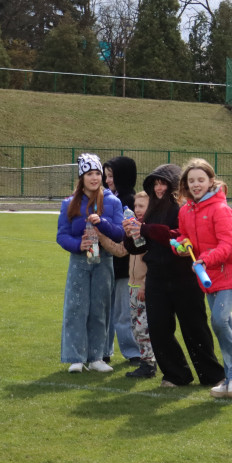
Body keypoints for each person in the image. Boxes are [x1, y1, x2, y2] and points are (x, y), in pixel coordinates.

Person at [124, 164, 224, 388]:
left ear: (174, 185)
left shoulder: (184, 209)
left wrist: (146, 229)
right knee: (159, 329)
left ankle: (211, 374)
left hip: (184, 276)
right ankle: (175, 374)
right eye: (155, 184)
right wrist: (130, 235)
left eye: (163, 183)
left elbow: (178, 236)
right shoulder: (152, 210)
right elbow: (141, 247)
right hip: (157, 277)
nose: (159, 188)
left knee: (195, 328)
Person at [176, 159, 232, 398]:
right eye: (191, 181)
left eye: (201, 180)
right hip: (207, 274)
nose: (196, 184)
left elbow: (228, 245)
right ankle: (230, 377)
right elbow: (184, 235)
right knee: (224, 323)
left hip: (229, 272)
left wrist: (205, 259)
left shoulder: (221, 209)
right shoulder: (185, 210)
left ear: (211, 181)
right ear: (186, 184)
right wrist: (181, 245)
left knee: (218, 320)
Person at [56, 153, 124, 374]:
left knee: (100, 308)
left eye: (97, 173)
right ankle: (76, 358)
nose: (94, 178)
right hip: (79, 261)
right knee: (76, 307)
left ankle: (97, 357)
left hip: (104, 260)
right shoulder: (69, 203)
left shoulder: (113, 202)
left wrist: (101, 222)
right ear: (81, 177)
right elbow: (62, 235)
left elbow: (120, 233)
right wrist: (79, 245)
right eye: (89, 174)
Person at [96, 190, 157, 379]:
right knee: (136, 327)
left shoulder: (150, 230)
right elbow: (120, 250)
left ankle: (149, 364)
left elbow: (154, 262)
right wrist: (101, 235)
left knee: (144, 327)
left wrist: (145, 285)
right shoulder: (133, 228)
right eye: (135, 206)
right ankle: (147, 361)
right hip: (132, 286)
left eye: (141, 206)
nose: (137, 209)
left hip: (145, 287)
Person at [102, 156, 140, 367]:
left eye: (111, 176)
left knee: (123, 312)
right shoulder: (106, 198)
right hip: (105, 262)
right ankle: (103, 350)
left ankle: (133, 351)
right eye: (106, 176)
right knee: (104, 311)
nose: (107, 180)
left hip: (124, 266)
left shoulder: (130, 201)